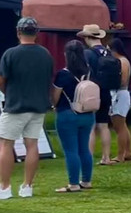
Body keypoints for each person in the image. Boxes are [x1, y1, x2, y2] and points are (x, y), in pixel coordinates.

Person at [0, 17, 54, 200]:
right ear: (36, 33)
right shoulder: (46, 54)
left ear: (18, 32)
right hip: (38, 106)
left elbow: (2, 80)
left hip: (15, 105)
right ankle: (27, 186)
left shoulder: (10, 54)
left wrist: (7, 93)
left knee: (6, 145)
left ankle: (5, 187)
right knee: (32, 145)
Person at [52, 40, 96, 193]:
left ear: (66, 55)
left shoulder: (63, 74)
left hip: (67, 113)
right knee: (84, 148)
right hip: (87, 113)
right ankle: (86, 180)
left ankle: (73, 183)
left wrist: (53, 105)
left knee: (71, 150)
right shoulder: (89, 71)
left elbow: (55, 97)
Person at [78, 24, 117, 166]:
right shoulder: (108, 52)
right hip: (106, 91)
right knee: (104, 125)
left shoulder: (88, 53)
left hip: (92, 92)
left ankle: (89, 157)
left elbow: (85, 72)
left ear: (88, 37)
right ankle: (106, 157)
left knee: (90, 126)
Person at [108, 39, 131, 162]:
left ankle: (120, 154)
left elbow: (123, 80)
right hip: (121, 94)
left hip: (120, 93)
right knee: (122, 124)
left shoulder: (122, 61)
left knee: (119, 126)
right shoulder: (124, 60)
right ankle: (128, 151)